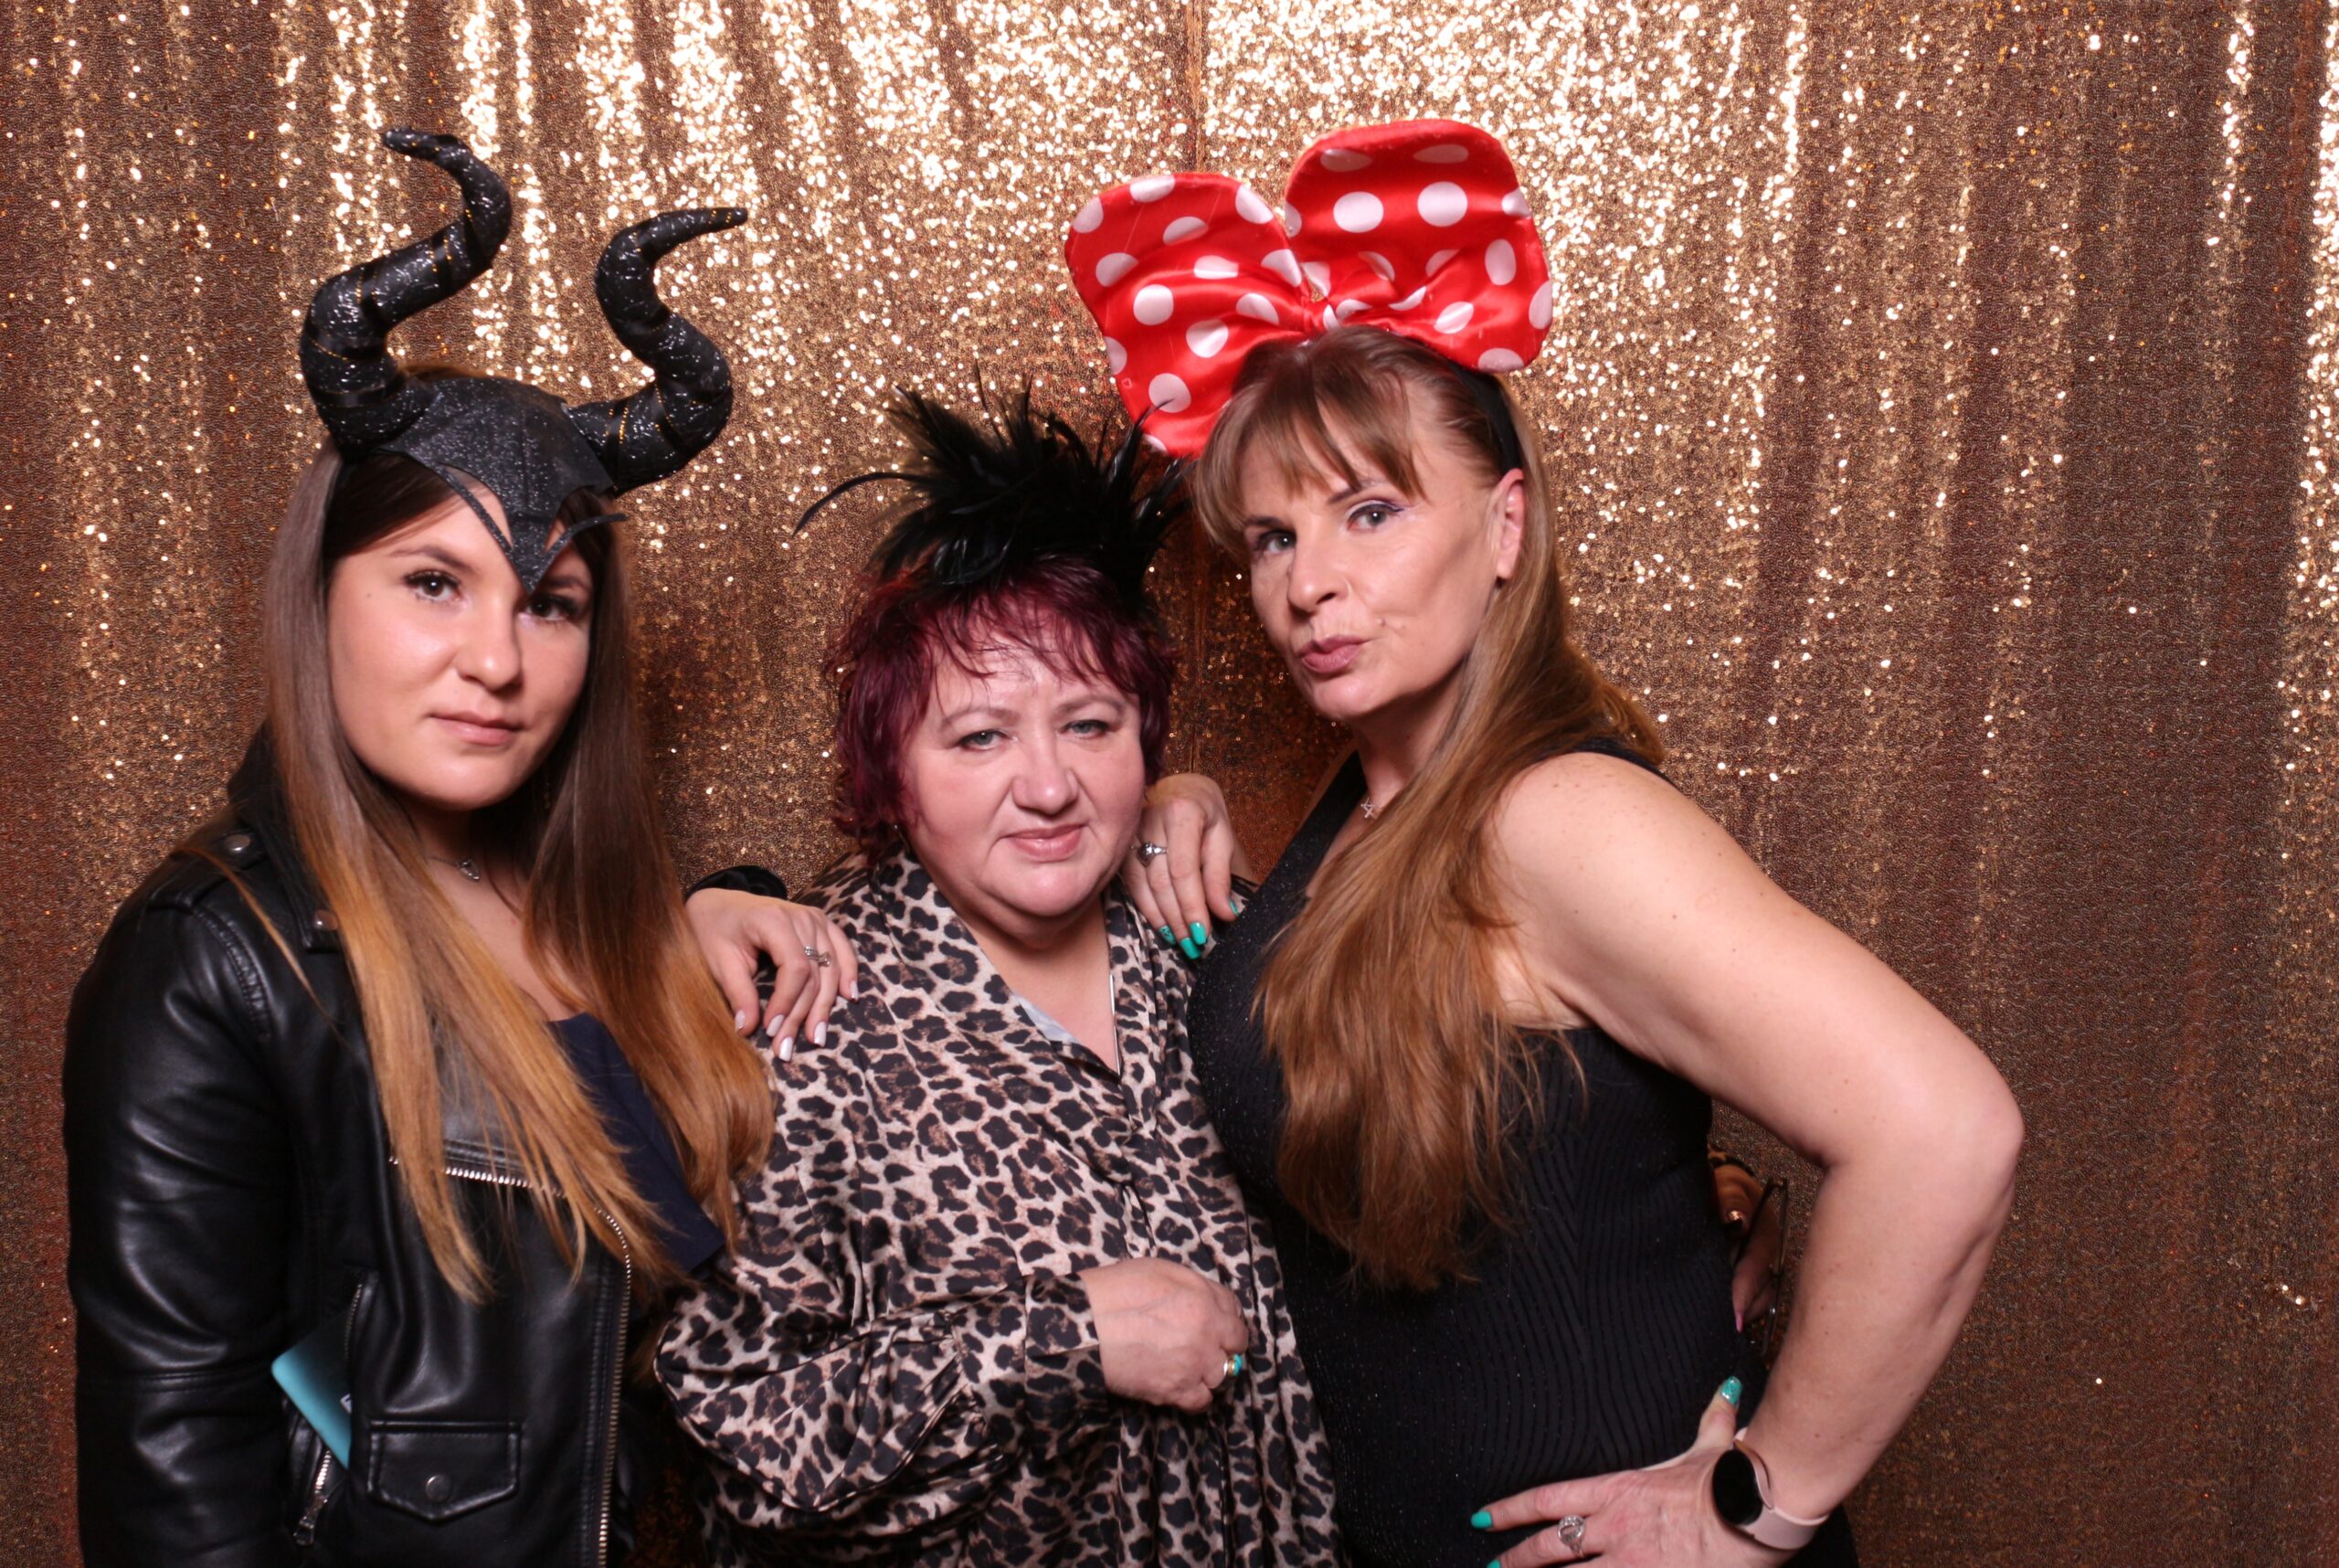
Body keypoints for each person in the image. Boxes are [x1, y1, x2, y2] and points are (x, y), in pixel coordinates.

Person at [1066, 120, 2025, 1568]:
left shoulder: (1554, 817)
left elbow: (1944, 1133)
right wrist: (1168, 798)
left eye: (1370, 513)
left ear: (1505, 526)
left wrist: (1754, 1509)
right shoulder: (1374, 804)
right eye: (1270, 539)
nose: (1309, 585)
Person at [62, 128, 846, 1566]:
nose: (497, 658)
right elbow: (174, 1482)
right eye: (434, 582)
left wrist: (708, 912)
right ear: (323, 596)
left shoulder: (580, 918)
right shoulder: (213, 963)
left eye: (550, 602)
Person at [654, 390, 1340, 1566]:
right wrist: (1057, 1342)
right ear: (892, 771)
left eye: (1090, 725)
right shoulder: (808, 1019)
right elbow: (737, 1442)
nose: (1049, 786)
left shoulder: (1215, 953)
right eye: (978, 737)